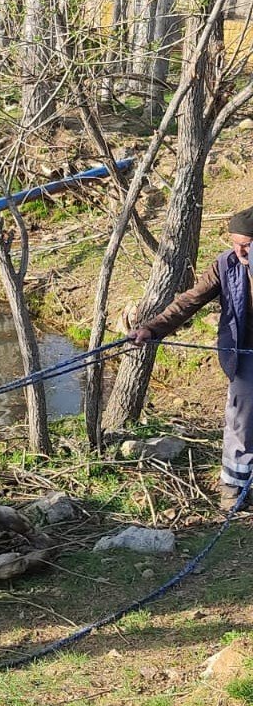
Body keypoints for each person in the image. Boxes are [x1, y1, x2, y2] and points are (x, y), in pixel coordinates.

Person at [129, 206, 253, 511]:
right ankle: (234, 486)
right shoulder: (225, 265)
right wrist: (152, 329)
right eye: (235, 243)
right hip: (244, 353)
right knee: (241, 420)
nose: (240, 252)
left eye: (247, 245)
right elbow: (189, 301)